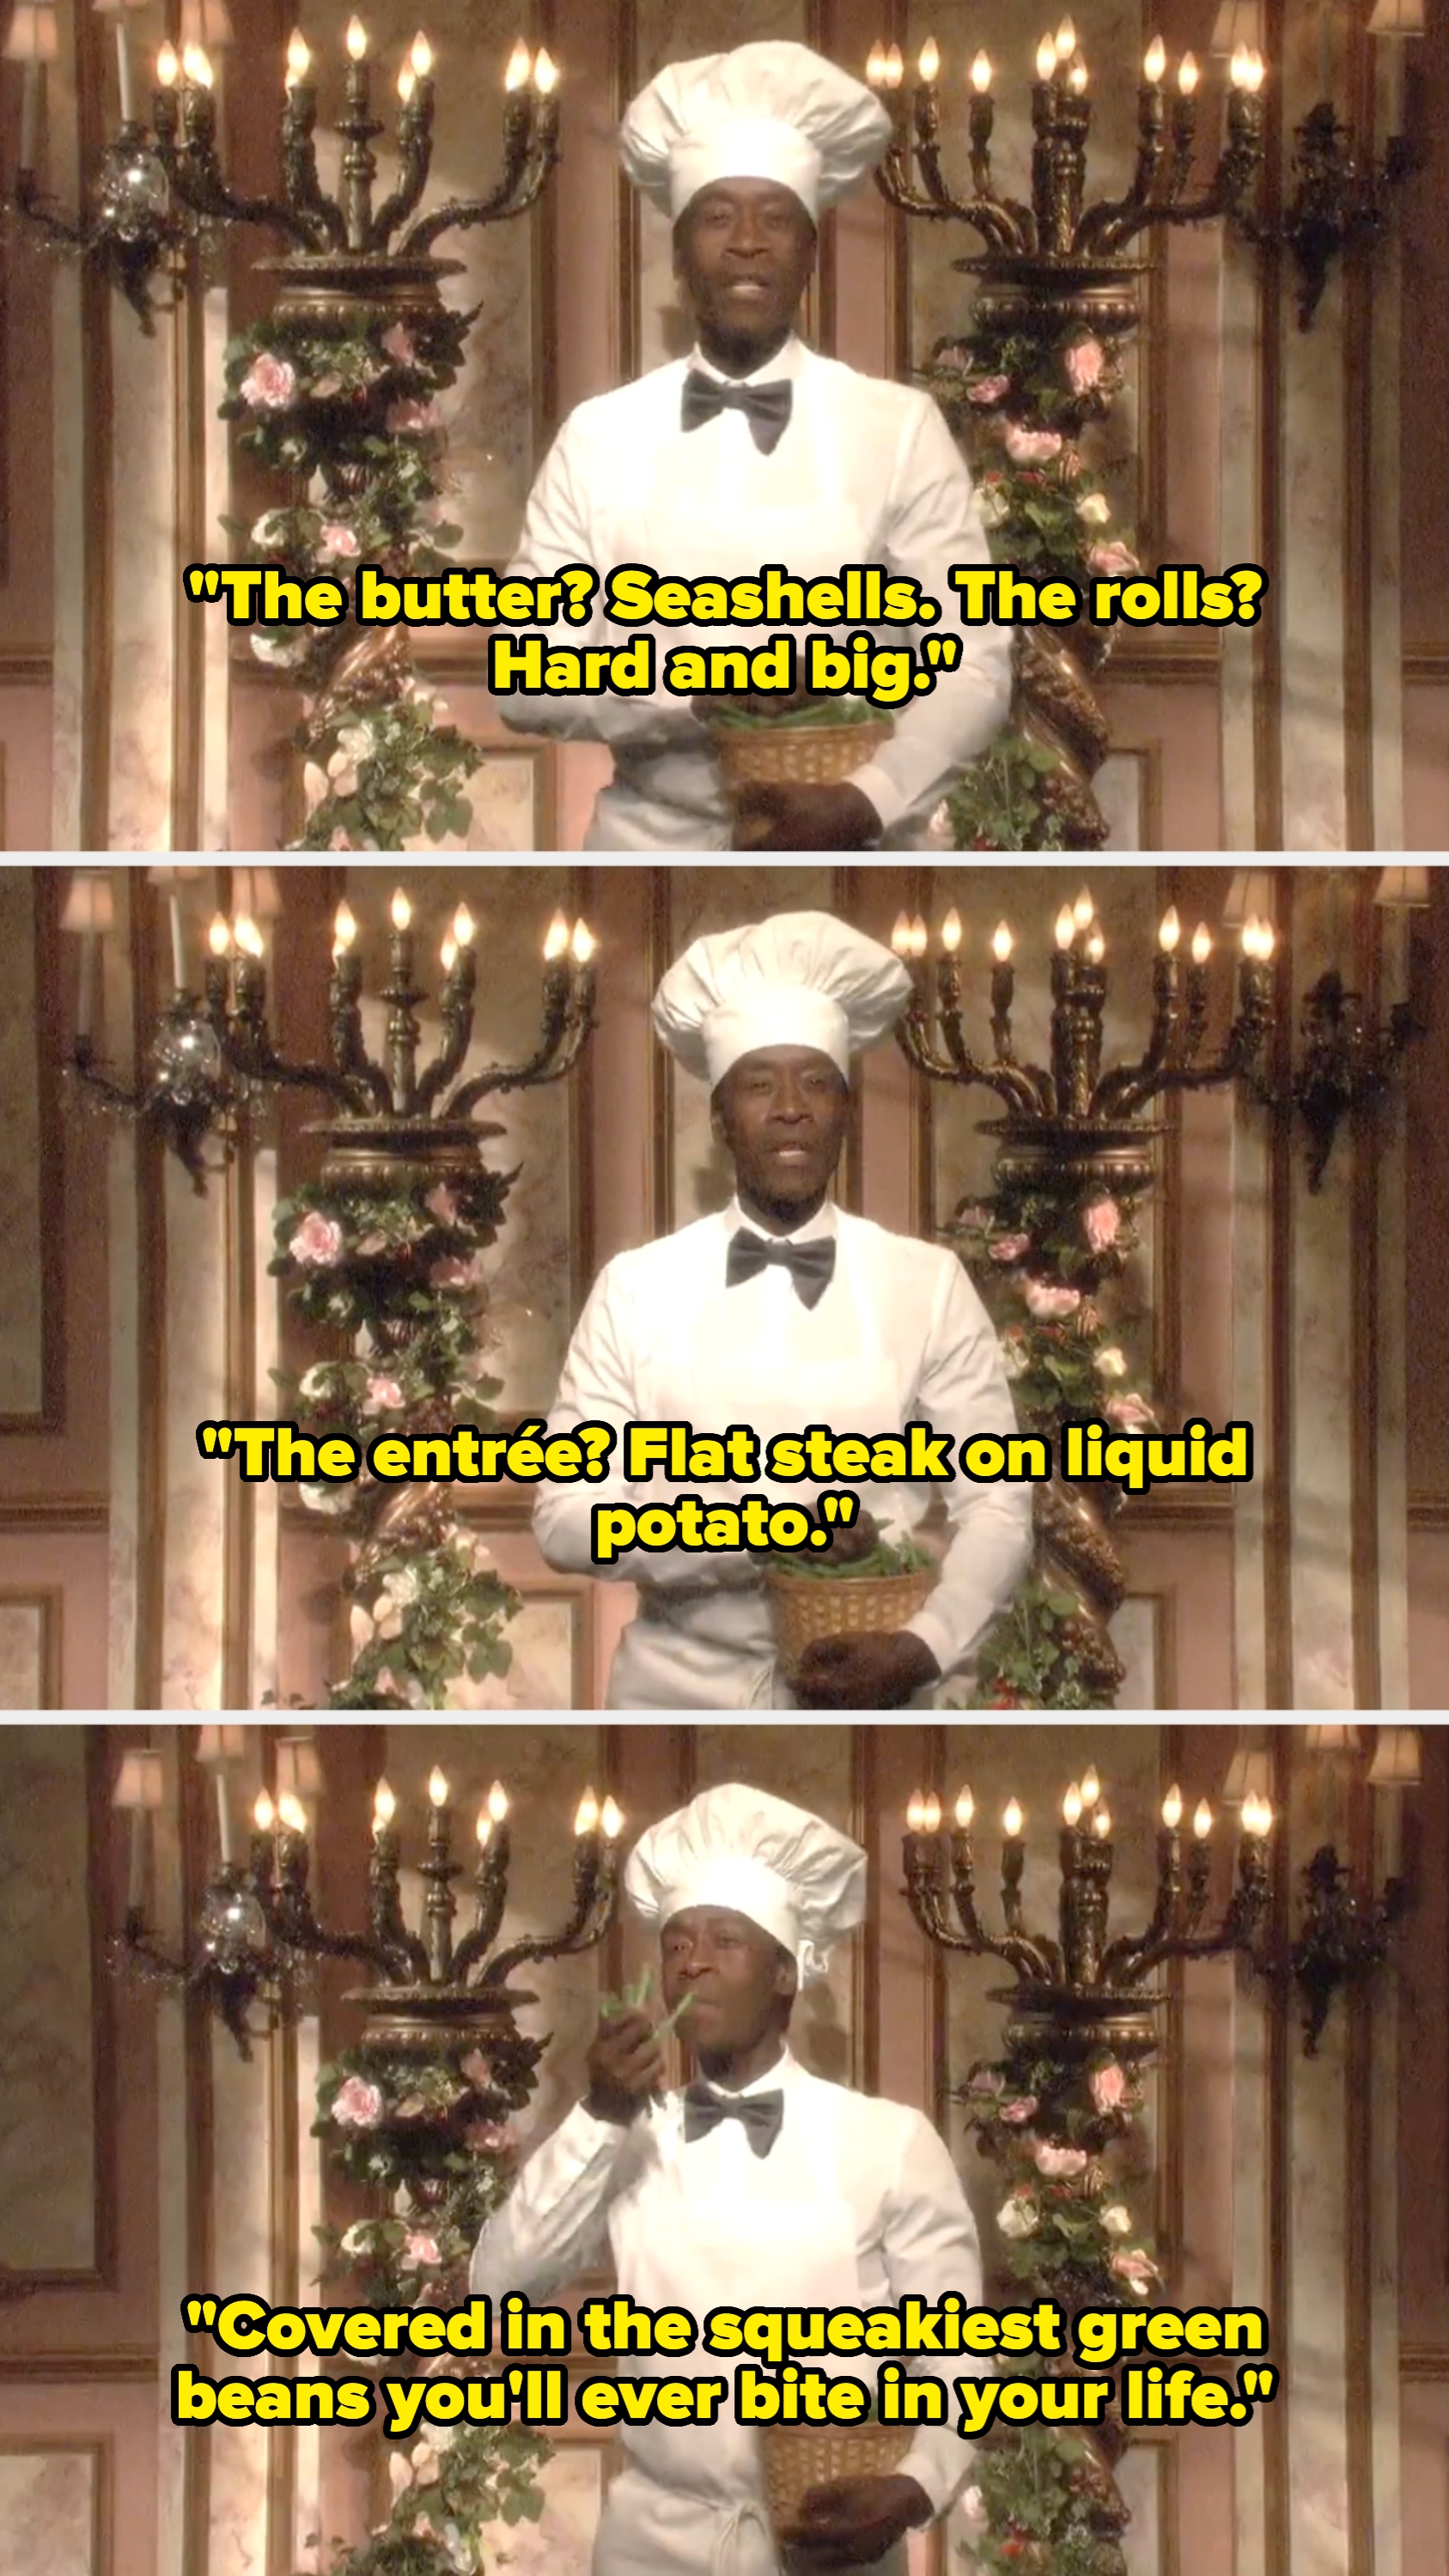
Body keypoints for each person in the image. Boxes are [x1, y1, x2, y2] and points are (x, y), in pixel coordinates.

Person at [497, 41, 1011, 851]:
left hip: (865, 842)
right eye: (716, 215)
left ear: (809, 251)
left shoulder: (899, 427)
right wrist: (694, 692)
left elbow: (973, 660)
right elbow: (524, 677)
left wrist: (866, 799)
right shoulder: (598, 436)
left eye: (775, 217)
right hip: (645, 848)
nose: (746, 241)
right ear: (677, 255)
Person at [472, 1785, 985, 2576]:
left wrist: (914, 2488)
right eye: (675, 1944)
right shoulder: (628, 2137)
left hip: (830, 2547)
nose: (693, 1962)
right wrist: (600, 2116)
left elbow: (960, 2367)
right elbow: (501, 2285)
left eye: (724, 1941)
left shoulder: (888, 2142)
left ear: (785, 1973)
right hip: (650, 2547)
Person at [533, 912, 1033, 1710]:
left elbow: (998, 1502)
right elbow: (563, 1519)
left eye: (817, 1082)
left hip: (884, 1692)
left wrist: (922, 1647)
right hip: (671, 1698)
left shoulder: (928, 1283)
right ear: (719, 1116)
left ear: (845, 1109)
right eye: (759, 1083)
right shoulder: (636, 1288)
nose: (791, 1107)